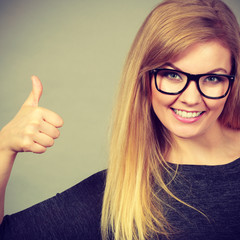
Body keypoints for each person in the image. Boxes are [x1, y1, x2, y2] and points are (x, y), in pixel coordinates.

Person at [1, 0, 240, 239]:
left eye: (212, 79)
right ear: (144, 78)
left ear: (233, 80)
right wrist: (4, 146)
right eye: (172, 75)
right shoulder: (115, 197)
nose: (191, 98)